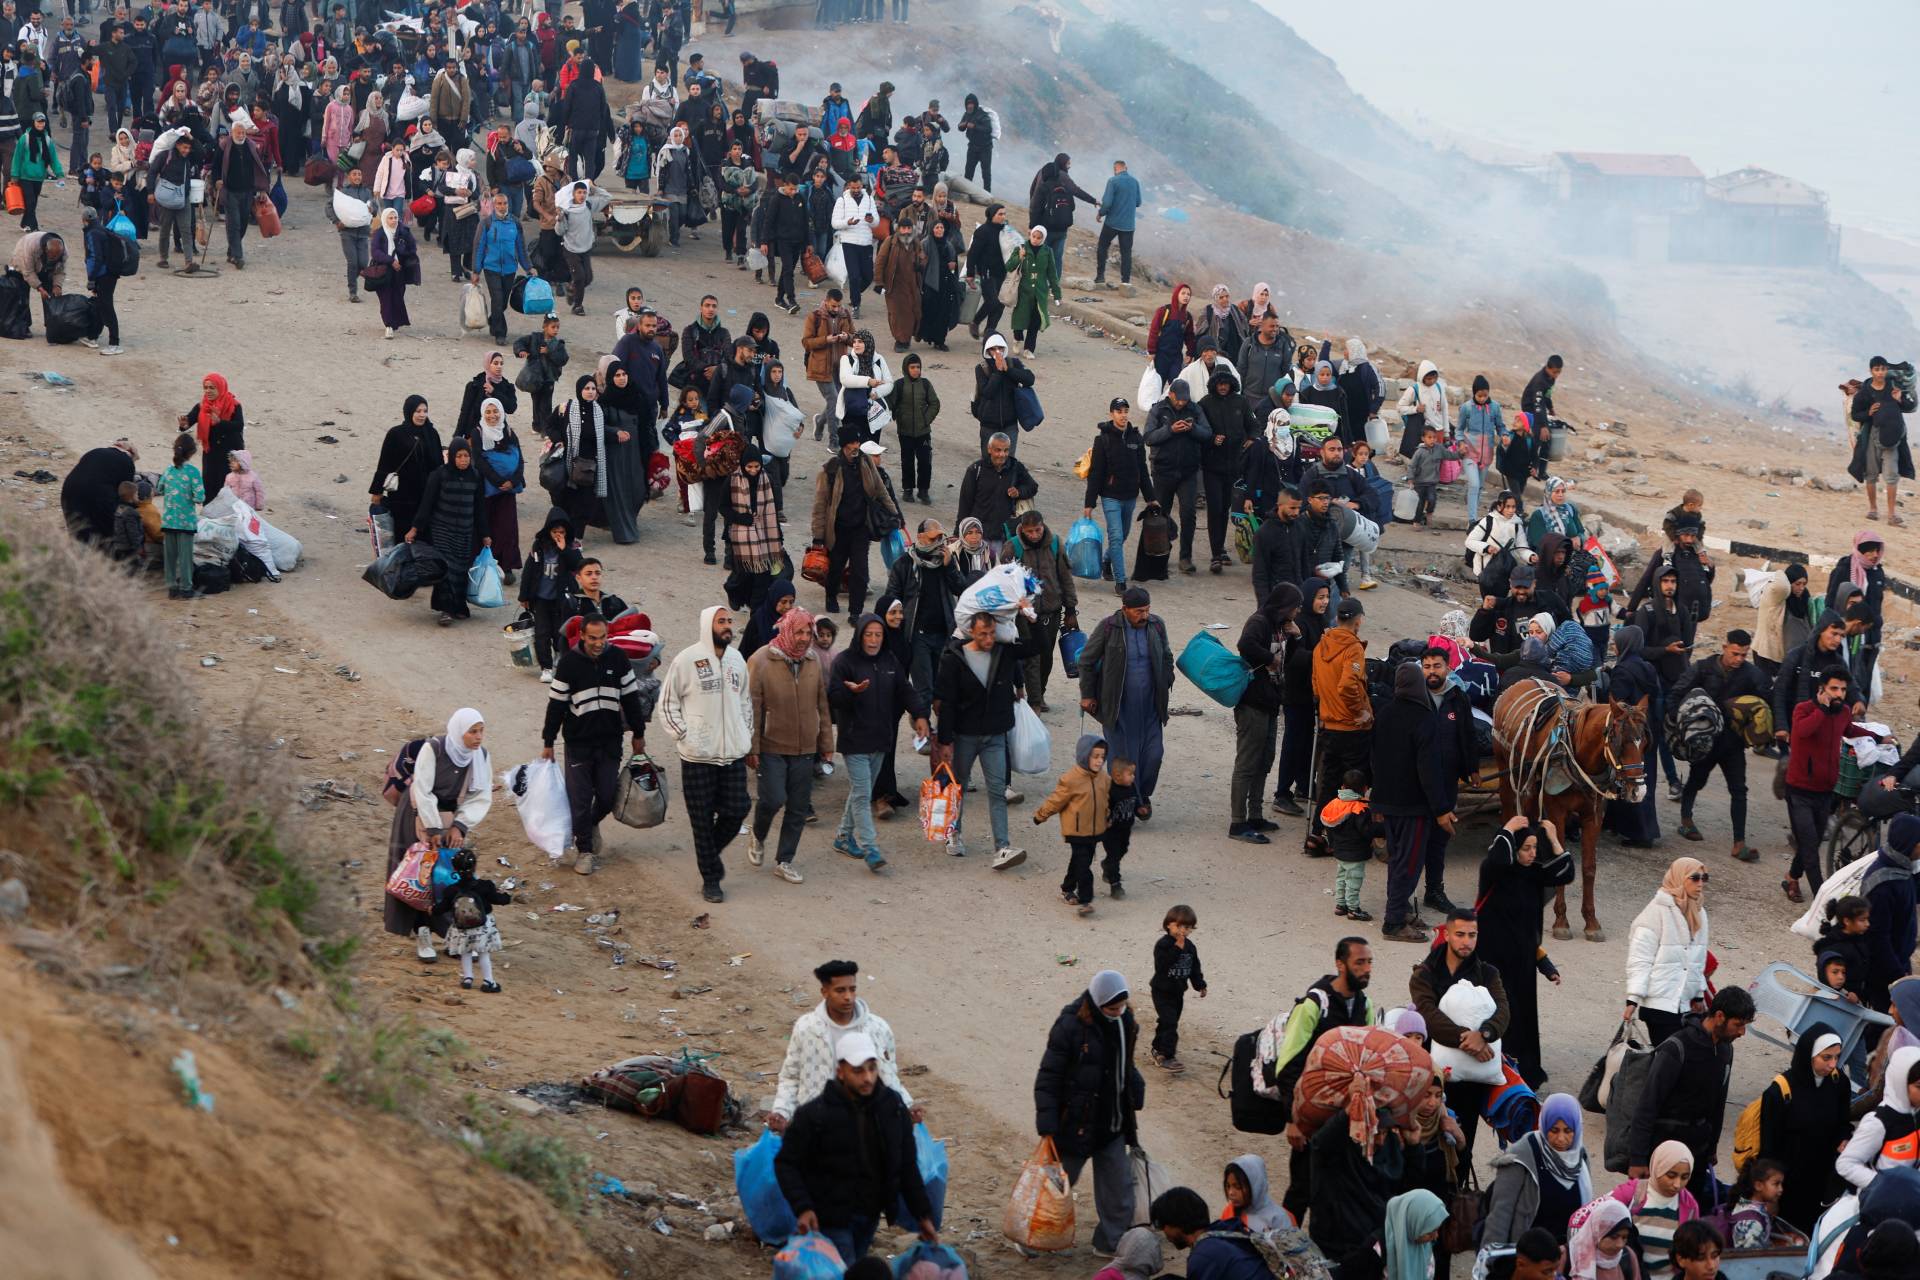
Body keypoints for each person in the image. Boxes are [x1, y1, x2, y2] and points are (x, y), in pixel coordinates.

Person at [774, 1029, 938, 1265]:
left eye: (872, 1068)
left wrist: (923, 1215)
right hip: (829, 1218)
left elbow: (906, 1164)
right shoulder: (815, 1115)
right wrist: (803, 1208)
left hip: (870, 1214)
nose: (868, 1078)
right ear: (841, 1072)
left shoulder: (892, 1107)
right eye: (858, 1071)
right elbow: (786, 1163)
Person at [1034, 969, 1145, 1257]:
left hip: (1111, 1124)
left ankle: (1110, 1243)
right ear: (1097, 1002)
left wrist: (1134, 1085)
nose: (1117, 1012)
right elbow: (1049, 1076)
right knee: (1056, 1186)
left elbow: (1126, 1062)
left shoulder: (1126, 1021)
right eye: (1111, 1008)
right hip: (1073, 1126)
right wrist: (1047, 1124)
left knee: (1118, 1191)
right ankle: (1032, 1236)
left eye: (1121, 1007)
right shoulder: (1070, 1025)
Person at [657, 604, 753, 904]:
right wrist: (685, 735)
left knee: (738, 809)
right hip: (698, 756)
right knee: (701, 820)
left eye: (729, 621)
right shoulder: (687, 660)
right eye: (721, 621)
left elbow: (745, 702)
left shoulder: (737, 660)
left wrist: (744, 732)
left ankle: (708, 855)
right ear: (707, 625)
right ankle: (711, 879)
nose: (728, 626)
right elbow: (667, 703)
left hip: (733, 753)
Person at [540, 613, 648, 876]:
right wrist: (548, 741)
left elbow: (632, 698)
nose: (598, 643)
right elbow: (556, 706)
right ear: (583, 637)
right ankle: (585, 850)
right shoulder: (567, 664)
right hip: (578, 743)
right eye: (592, 638)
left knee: (609, 795)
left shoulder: (618, 659)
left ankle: (585, 826)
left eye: (602, 638)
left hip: (610, 741)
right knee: (579, 799)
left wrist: (638, 732)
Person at [1627, 988, 1755, 1204]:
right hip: (1665, 1150)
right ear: (1720, 1016)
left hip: (1697, 1154)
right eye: (1738, 1024)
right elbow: (1647, 1104)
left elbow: (1718, 1103)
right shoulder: (1676, 1048)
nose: (1742, 1032)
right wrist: (1638, 1159)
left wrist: (1711, 1147)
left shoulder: (1725, 1051)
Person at [384, 709, 492, 963]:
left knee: (446, 878)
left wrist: (460, 826)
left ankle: (450, 936)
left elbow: (481, 796)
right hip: (417, 816)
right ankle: (421, 933)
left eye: (481, 731)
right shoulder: (434, 749)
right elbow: (422, 789)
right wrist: (432, 828)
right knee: (418, 876)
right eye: (472, 732)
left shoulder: (480, 756)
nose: (478, 738)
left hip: (450, 819)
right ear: (458, 731)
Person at [1476, 815, 1575, 1086]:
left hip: (1521, 961)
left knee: (1522, 1015)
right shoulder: (1493, 872)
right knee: (1501, 1014)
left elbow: (1565, 873)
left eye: (1534, 848)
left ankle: (1521, 1072)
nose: (1532, 854)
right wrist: (1507, 829)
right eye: (1526, 848)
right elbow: (1497, 858)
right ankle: (1495, 1069)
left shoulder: (1533, 875)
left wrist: (1553, 838)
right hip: (1492, 960)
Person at [828, 611, 928, 872]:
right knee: (863, 794)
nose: (873, 640)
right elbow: (833, 697)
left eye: (878, 635)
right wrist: (850, 693)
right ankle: (871, 848)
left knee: (860, 791)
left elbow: (905, 690)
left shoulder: (889, 660)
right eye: (869, 634)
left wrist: (920, 715)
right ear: (860, 635)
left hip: (881, 739)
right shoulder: (844, 662)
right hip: (854, 739)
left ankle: (842, 836)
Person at [770, 959, 920, 1132]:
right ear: (824, 992)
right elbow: (791, 1077)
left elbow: (889, 1077)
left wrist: (906, 1106)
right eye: (840, 990)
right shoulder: (807, 1029)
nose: (848, 997)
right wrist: (781, 1111)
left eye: (852, 989)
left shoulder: (878, 1029)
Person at [1409, 909, 1508, 1158]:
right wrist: (1470, 1038)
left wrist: (1484, 1033)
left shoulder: (1488, 973)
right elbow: (1429, 1016)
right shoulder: (1425, 973)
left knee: (1464, 1142)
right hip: (1433, 1075)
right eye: (1460, 934)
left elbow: (1503, 1012)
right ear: (1448, 935)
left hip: (1472, 1077)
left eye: (1472, 935)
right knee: (1426, 1141)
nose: (1466, 941)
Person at [934, 611, 1029, 867]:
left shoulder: (1003, 651)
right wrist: (945, 741)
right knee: (959, 787)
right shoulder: (954, 659)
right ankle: (953, 833)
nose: (988, 638)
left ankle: (1003, 847)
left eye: (991, 632)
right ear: (971, 633)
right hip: (965, 735)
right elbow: (948, 703)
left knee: (997, 791)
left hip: (995, 735)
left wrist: (1024, 615)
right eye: (983, 634)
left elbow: (1036, 647)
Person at [745, 607, 831, 885]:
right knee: (772, 799)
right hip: (771, 745)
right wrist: (752, 748)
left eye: (809, 632)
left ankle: (785, 860)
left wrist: (826, 743)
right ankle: (758, 834)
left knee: (797, 806)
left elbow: (822, 705)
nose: (805, 638)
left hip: (805, 747)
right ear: (786, 631)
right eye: (800, 632)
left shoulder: (813, 661)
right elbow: (752, 708)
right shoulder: (761, 660)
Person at [1672, 631, 1768, 859]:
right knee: (1697, 780)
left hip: (1733, 744)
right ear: (1724, 647)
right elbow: (1677, 694)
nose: (1739, 659)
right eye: (1735, 653)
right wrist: (1681, 727)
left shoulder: (1751, 675)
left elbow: (1766, 700)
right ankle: (1686, 820)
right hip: (1706, 742)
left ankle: (1739, 843)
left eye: (1744, 655)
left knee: (1739, 790)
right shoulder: (1703, 668)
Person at [1079, 587, 1175, 817]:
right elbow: (1086, 661)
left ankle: (1143, 794)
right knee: (1123, 759)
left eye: (1148, 610)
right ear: (1125, 609)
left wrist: (1167, 677)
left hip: (1151, 707)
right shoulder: (1109, 627)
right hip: (1119, 708)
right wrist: (1087, 695)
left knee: (1153, 755)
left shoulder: (1156, 625)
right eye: (1139, 611)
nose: (1145, 616)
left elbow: (1167, 655)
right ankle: (1132, 802)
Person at [1230, 581, 1300, 842]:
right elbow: (1245, 645)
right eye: (1295, 606)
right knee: (1247, 763)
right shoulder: (1259, 622)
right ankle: (1238, 823)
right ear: (1284, 606)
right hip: (1252, 703)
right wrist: (1269, 659)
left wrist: (1297, 636)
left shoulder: (1282, 627)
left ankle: (1255, 815)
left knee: (1264, 761)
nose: (1297, 611)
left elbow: (1290, 664)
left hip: (1271, 702)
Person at [1782, 667, 1856, 901]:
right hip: (1799, 791)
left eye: (1843, 689)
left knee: (1809, 842)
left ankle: (1792, 878)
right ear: (1821, 689)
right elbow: (1802, 732)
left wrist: (1877, 737)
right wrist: (1822, 709)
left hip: (1825, 792)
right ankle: (1823, 901)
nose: (1839, 694)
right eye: (1834, 688)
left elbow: (1849, 729)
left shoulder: (1843, 712)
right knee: (1811, 847)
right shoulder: (1803, 710)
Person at [1484, 1093, 1592, 1248]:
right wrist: (1493, 1259)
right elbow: (1501, 1213)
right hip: (1529, 1257)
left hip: (1570, 1257)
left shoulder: (1580, 1157)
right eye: (1554, 1130)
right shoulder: (1522, 1156)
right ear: (1544, 1125)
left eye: (1568, 1131)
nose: (1561, 1138)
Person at [1623, 857, 1712, 1047]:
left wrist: (1697, 994)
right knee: (1668, 1062)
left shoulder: (1699, 912)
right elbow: (1640, 959)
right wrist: (1633, 998)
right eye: (1694, 878)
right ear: (1679, 878)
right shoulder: (1655, 912)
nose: (1700, 884)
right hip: (1659, 1006)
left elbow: (1698, 960)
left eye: (1704, 878)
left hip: (1686, 1006)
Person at [811, 428, 899, 616]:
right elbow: (820, 506)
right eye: (851, 444)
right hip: (838, 530)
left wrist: (894, 513)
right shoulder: (831, 470)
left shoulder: (866, 463)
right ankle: (831, 596)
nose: (855, 447)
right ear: (844, 446)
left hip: (861, 529)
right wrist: (818, 536)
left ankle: (855, 612)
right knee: (835, 569)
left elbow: (880, 489)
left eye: (857, 443)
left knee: (860, 573)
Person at [407, 437, 491, 627]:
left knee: (461, 569)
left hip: (465, 531)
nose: (463, 460)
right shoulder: (439, 475)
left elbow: (479, 509)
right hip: (442, 530)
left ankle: (459, 606)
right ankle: (446, 610)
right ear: (452, 457)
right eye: (459, 456)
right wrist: (415, 529)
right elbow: (426, 504)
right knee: (446, 568)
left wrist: (485, 534)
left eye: (466, 456)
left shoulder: (476, 477)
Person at [1005, 509, 1077, 711]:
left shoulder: (1055, 544)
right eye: (1030, 531)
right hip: (1026, 615)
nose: (1034, 535)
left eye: (1037, 530)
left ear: (1043, 525)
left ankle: (1040, 694)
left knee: (1046, 656)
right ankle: (1035, 701)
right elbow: (1005, 581)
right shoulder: (1012, 548)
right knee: (1032, 659)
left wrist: (1070, 608)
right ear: (1022, 530)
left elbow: (1065, 577)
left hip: (1052, 611)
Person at [1031, 734, 1111, 916]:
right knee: (1084, 866)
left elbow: (1106, 801)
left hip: (1095, 829)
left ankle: (1067, 887)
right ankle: (1086, 901)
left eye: (1102, 757)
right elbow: (1056, 801)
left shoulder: (1103, 778)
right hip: (1076, 830)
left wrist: (1107, 817)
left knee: (1080, 860)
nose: (1100, 761)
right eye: (1095, 756)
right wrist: (1040, 815)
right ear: (1084, 756)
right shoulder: (1071, 779)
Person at [1610, 1142, 1701, 1279]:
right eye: (1671, 1175)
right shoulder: (1631, 1194)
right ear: (1658, 1167)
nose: (1677, 1184)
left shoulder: (1689, 1206)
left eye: (1684, 1177)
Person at [1838, 1044, 1920, 1190]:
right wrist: (1883, 1186)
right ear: (1900, 1082)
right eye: (1919, 1086)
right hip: (1876, 1205)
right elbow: (1846, 1164)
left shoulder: (1914, 1116)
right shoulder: (1877, 1122)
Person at [1861, 816, 1920, 1012]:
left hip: (1899, 961)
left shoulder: (1903, 868)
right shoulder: (1883, 885)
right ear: (1910, 844)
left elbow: (1912, 896)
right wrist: (1898, 975)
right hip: (1883, 972)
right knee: (1885, 1023)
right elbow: (1877, 939)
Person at [518, 507, 582, 681]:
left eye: (562, 532)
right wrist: (524, 596)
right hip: (541, 598)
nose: (558, 535)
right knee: (541, 633)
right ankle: (546, 667)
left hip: (561, 599)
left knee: (559, 632)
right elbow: (529, 570)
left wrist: (564, 549)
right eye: (555, 531)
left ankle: (559, 657)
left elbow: (578, 565)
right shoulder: (539, 546)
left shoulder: (572, 546)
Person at [1850, 356, 1913, 524]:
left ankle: (1892, 514)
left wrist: (1900, 399)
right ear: (1871, 371)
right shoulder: (1865, 392)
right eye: (1877, 369)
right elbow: (1855, 415)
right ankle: (1873, 509)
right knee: (1870, 473)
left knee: (1892, 474)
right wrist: (1868, 413)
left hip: (1892, 437)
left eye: (1883, 369)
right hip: (1871, 435)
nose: (1880, 373)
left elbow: (1909, 407)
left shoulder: (1894, 386)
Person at [1145, 902, 1206, 1070]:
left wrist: (1199, 984)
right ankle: (1168, 1056)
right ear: (1168, 925)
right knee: (1169, 1021)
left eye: (1188, 928)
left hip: (1178, 992)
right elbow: (1162, 966)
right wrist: (1177, 949)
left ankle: (1158, 1048)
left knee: (1168, 1022)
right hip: (1161, 991)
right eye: (1179, 926)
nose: (1183, 931)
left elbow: (1194, 967)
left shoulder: (1190, 946)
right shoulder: (1163, 944)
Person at [180, 372, 245, 503]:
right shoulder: (202, 406)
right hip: (211, 453)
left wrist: (220, 422)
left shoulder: (234, 405)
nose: (208, 391)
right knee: (209, 485)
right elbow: (189, 421)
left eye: (212, 387)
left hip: (230, 454)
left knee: (227, 486)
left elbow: (239, 426)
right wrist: (184, 425)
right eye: (206, 387)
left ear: (220, 388)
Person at [802, 287, 856, 441]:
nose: (836, 309)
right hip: (820, 368)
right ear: (826, 302)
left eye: (838, 306)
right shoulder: (815, 316)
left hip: (840, 368)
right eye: (833, 306)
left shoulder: (845, 315)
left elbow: (855, 338)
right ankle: (834, 440)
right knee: (834, 400)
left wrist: (846, 337)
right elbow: (806, 342)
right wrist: (825, 340)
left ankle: (820, 421)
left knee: (837, 401)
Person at [157, 432, 202, 600]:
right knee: (185, 557)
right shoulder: (193, 472)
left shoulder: (168, 471)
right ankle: (186, 588)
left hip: (169, 520)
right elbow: (200, 497)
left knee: (170, 557)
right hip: (186, 523)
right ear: (191, 453)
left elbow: (159, 488)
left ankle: (171, 588)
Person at [1004, 223, 1058, 357]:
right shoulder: (1021, 248)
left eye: (1039, 237)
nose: (1035, 239)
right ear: (1030, 235)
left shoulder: (1047, 251)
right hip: (1022, 290)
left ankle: (1029, 349)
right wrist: (1020, 257)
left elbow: (1052, 273)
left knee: (1035, 321)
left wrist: (1057, 293)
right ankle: (1017, 338)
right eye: (1034, 236)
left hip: (1039, 293)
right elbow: (1009, 266)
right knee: (1019, 318)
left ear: (1043, 238)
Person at [367, 204, 420, 339]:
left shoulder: (404, 232)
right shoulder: (379, 233)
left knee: (398, 296)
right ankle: (388, 325)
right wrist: (390, 260)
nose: (394, 220)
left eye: (395, 217)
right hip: (384, 270)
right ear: (385, 219)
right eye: (390, 218)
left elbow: (412, 248)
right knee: (385, 298)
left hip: (400, 271)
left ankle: (394, 321)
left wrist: (403, 255)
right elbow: (375, 252)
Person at [1093, 158, 1139, 287]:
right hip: (1129, 225)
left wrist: (1100, 213)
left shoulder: (1113, 181)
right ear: (1126, 168)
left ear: (1115, 169)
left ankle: (1100, 276)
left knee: (1102, 246)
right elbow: (1138, 202)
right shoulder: (1135, 182)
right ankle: (1125, 282)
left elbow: (1107, 203)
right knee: (1126, 253)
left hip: (1112, 223)